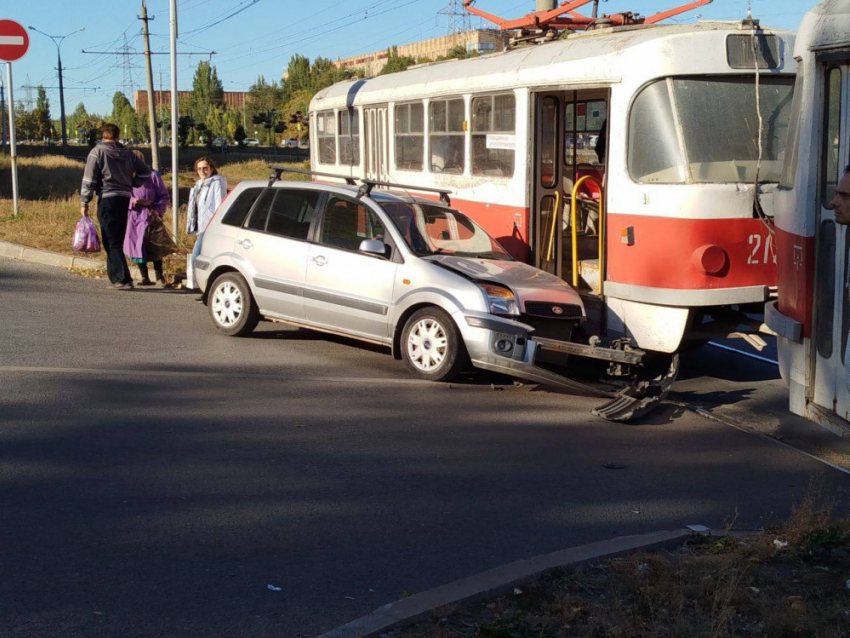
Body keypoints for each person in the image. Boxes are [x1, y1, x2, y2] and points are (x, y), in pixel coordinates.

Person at [80, 123, 151, 290]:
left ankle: (120, 279)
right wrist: (131, 184)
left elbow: (89, 180)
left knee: (110, 240)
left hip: (107, 198)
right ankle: (123, 277)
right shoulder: (128, 153)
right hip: (124, 198)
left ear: (103, 134)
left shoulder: (97, 152)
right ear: (117, 135)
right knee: (117, 239)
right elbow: (145, 172)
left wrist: (84, 202)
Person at [124, 150, 170, 287]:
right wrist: (134, 201)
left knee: (155, 245)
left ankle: (159, 276)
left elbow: (164, 196)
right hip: (134, 217)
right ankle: (144, 276)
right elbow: (122, 196)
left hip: (151, 216)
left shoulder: (153, 176)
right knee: (137, 245)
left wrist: (158, 210)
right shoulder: (126, 177)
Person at [185, 157, 226, 289]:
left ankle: (205, 288)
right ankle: (206, 289)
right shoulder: (199, 184)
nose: (202, 171)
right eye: (199, 169)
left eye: (205, 168)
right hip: (201, 228)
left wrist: (214, 226)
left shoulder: (216, 183)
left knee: (196, 258)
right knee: (204, 260)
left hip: (210, 227)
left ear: (211, 169)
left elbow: (219, 204)